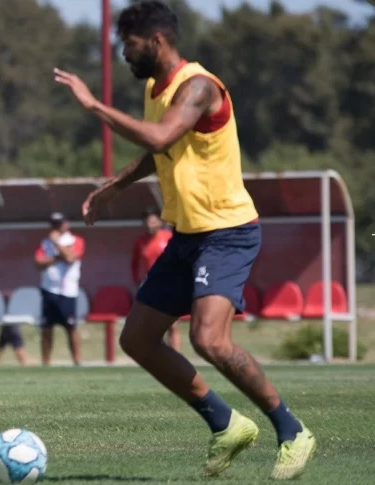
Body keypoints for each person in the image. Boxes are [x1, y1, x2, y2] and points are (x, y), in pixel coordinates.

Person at [54, 1, 315, 480]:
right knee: (137, 338)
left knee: (208, 339)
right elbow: (162, 150)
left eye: (129, 47)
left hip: (228, 232)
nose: (125, 57)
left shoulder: (199, 85)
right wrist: (114, 187)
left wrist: (93, 105)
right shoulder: (157, 90)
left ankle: (291, 429)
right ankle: (226, 424)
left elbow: (159, 137)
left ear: (156, 41)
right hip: (188, 234)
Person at [34, 212, 85, 366]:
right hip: (49, 290)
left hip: (68, 292)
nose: (56, 227)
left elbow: (70, 257)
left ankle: (77, 361)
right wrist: (56, 258)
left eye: (59, 224)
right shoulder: (45, 242)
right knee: (46, 328)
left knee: (71, 328)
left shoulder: (76, 240)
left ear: (66, 224)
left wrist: (57, 243)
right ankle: (46, 363)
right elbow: (38, 262)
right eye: (54, 224)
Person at [130, 209, 179, 351]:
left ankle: (176, 356)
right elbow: (134, 263)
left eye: (152, 221)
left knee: (172, 324)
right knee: (154, 324)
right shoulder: (140, 242)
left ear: (160, 222)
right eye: (146, 222)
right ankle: (161, 355)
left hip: (169, 284)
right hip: (150, 286)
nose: (149, 225)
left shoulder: (169, 237)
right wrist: (136, 280)